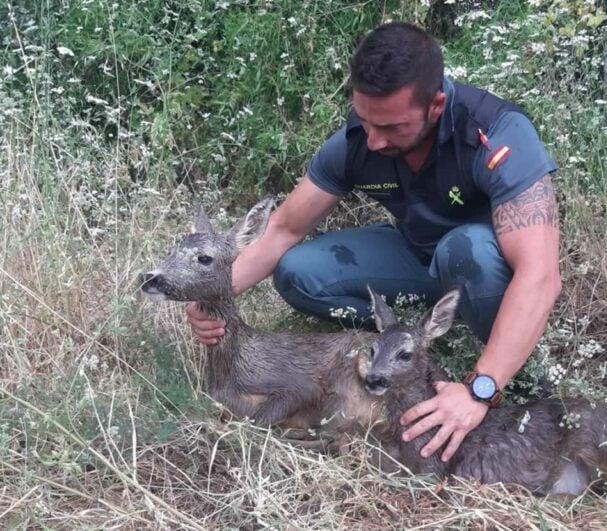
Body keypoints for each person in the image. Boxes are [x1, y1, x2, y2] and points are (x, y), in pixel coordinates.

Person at [187, 22, 561, 463]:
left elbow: (540, 276)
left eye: (391, 127)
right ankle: (402, 347)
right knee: (299, 271)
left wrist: (481, 389)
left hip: (479, 270)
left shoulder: (496, 134)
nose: (375, 140)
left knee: (467, 250)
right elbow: (283, 229)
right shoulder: (361, 140)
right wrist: (213, 296)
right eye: (365, 121)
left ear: (436, 105)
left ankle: (504, 369)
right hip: (416, 256)